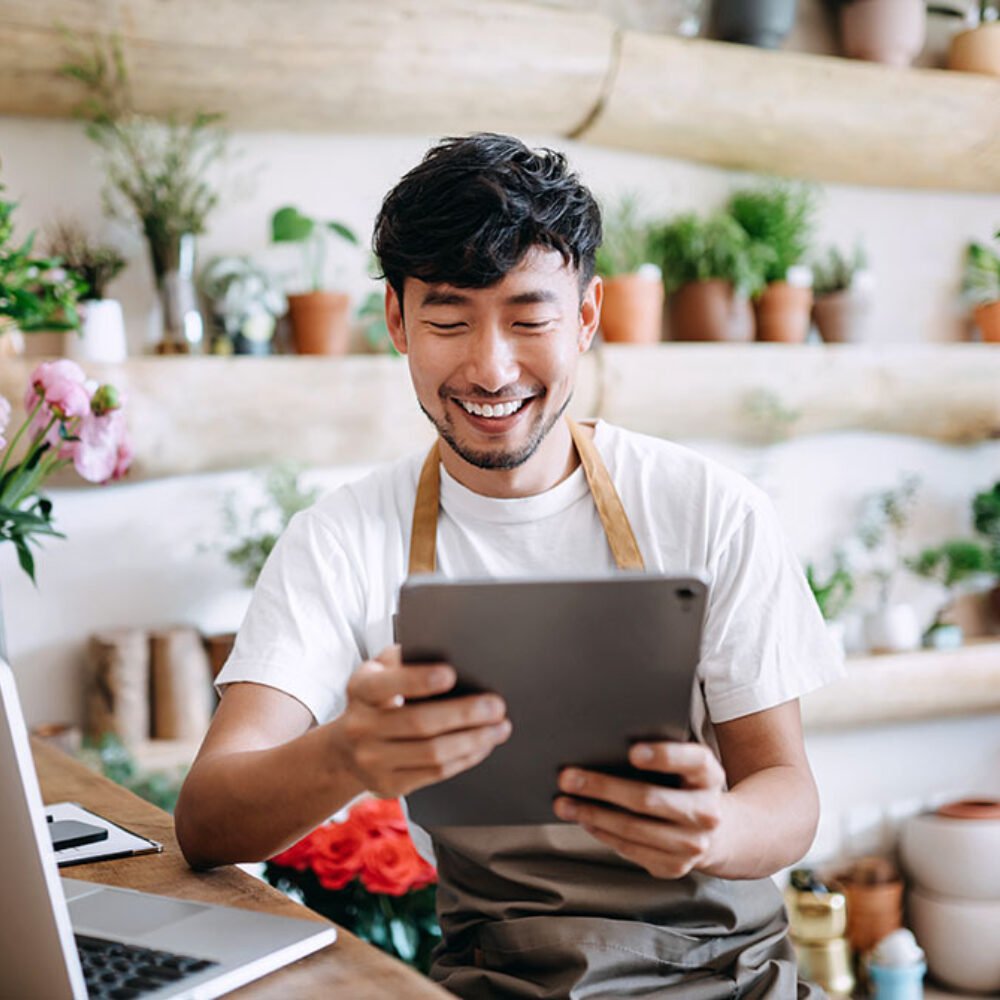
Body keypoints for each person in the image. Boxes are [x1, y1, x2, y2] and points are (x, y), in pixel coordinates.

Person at [175, 133, 843, 998]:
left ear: (589, 317)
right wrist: (347, 754)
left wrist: (713, 828)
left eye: (530, 319)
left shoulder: (708, 507)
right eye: (449, 321)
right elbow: (205, 818)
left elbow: (787, 793)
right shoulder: (339, 540)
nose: (491, 368)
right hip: (499, 982)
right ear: (395, 321)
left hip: (727, 976)